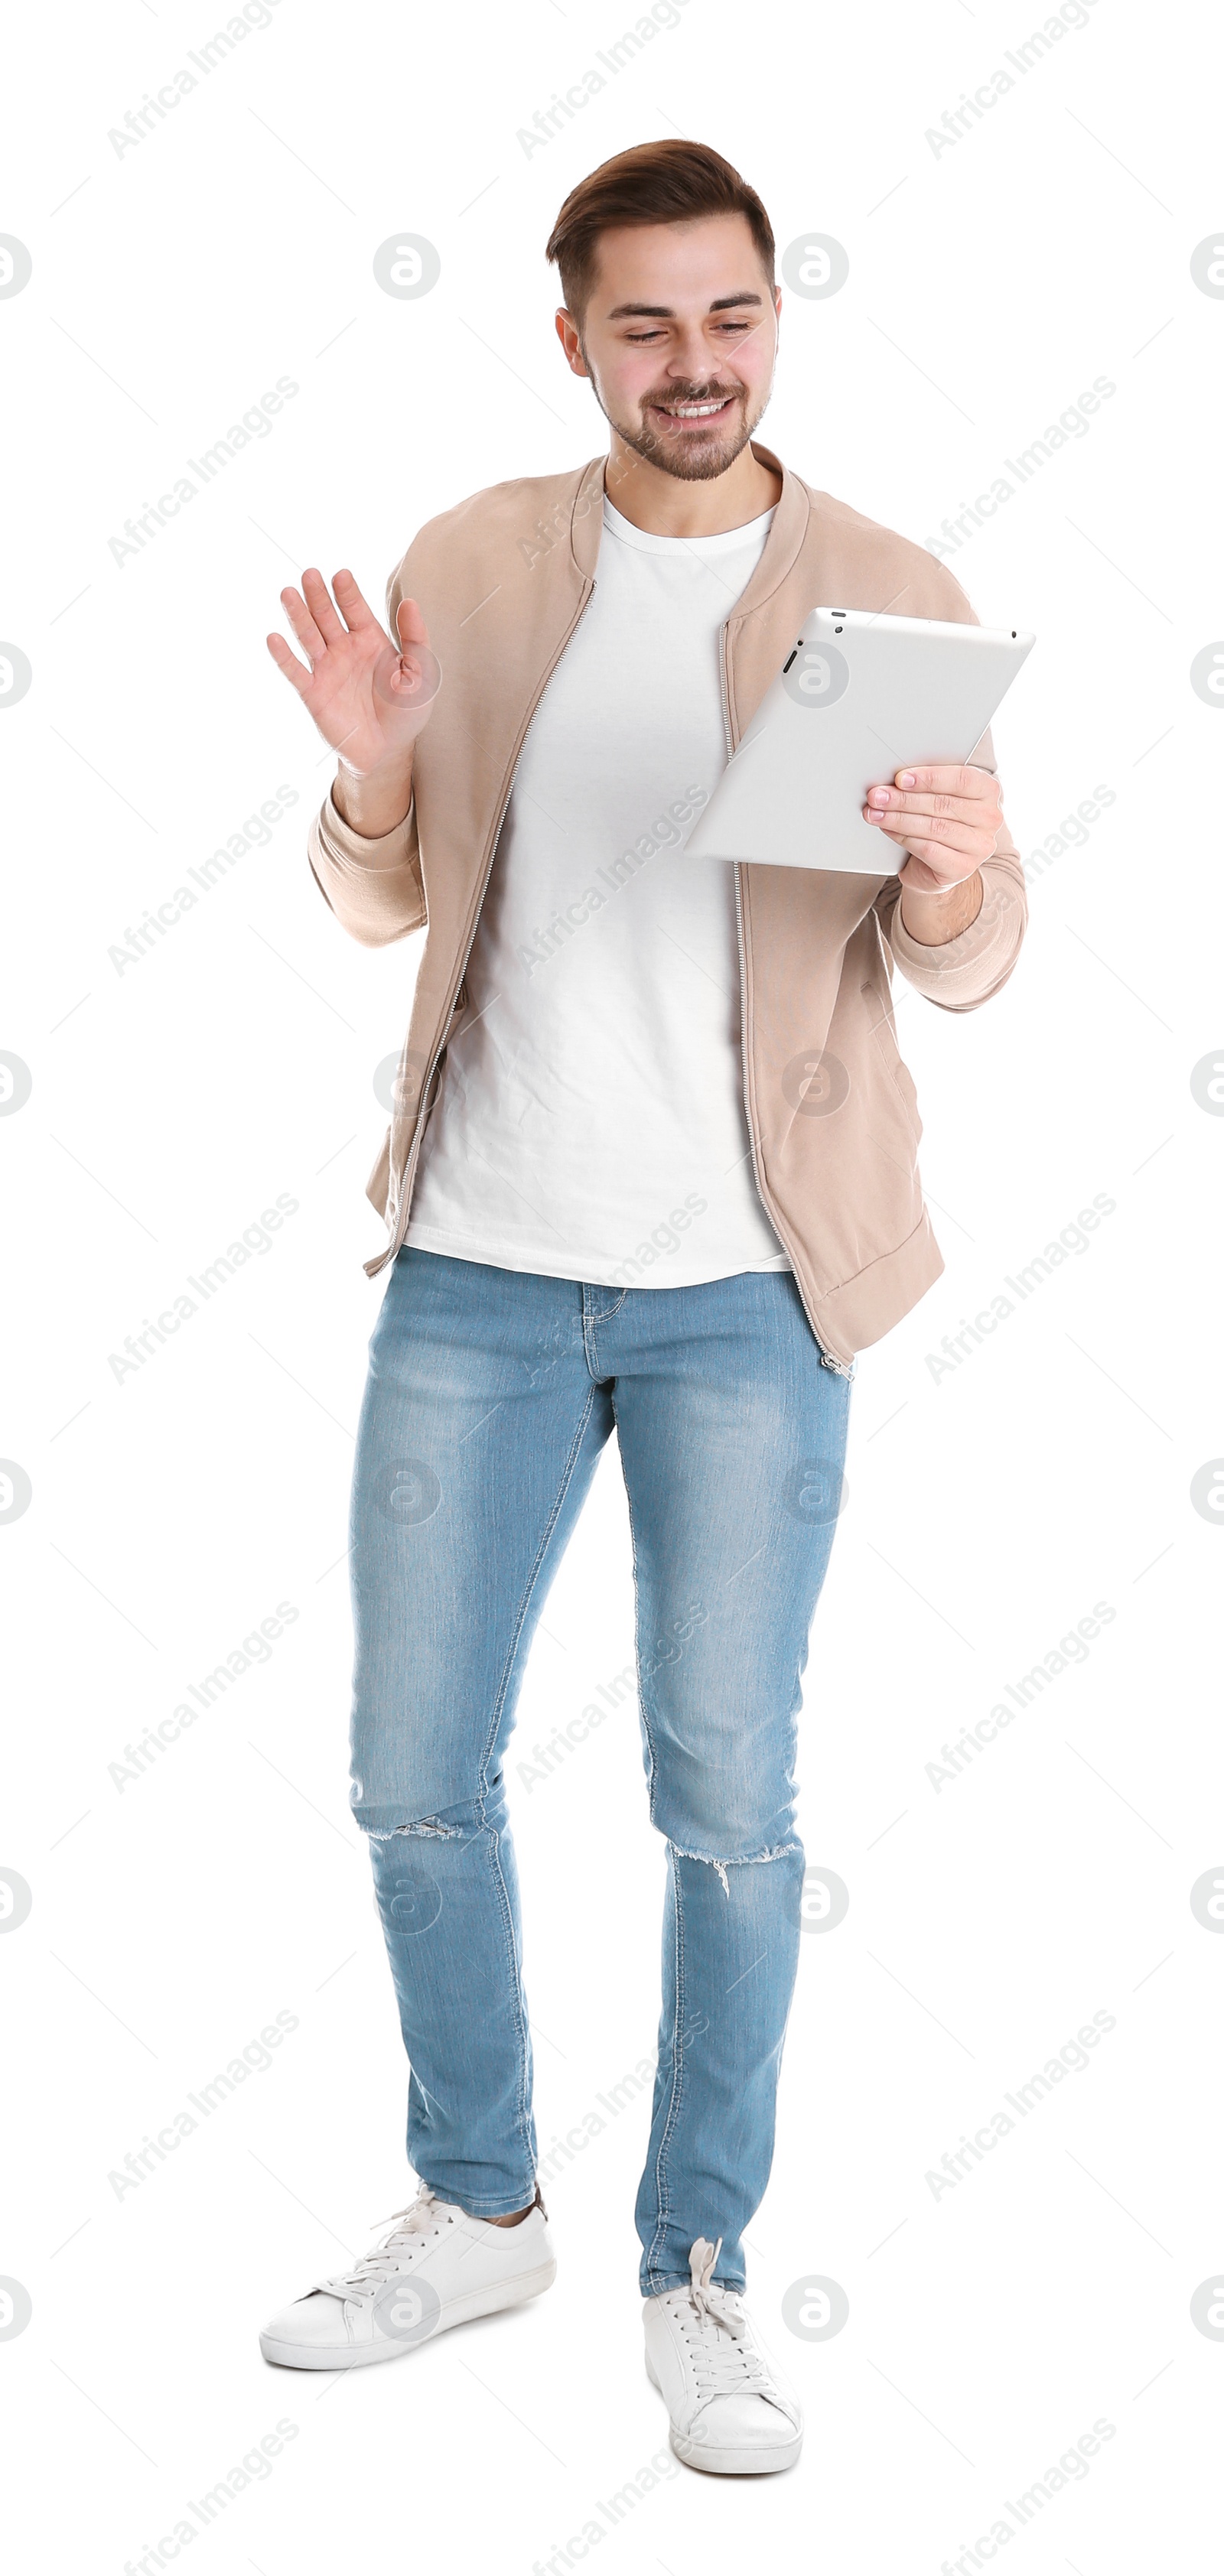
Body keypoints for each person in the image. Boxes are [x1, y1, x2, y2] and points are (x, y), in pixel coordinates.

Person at [259, 139, 1025, 2476]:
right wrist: (370, 783)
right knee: (412, 1774)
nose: (699, 365)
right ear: (572, 334)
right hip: (480, 1265)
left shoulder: (884, 593)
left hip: (742, 1293)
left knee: (725, 1803)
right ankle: (478, 2199)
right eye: (648, 325)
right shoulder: (479, 562)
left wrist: (967, 870)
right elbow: (377, 898)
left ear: (776, 317)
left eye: (735, 316)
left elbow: (964, 966)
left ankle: (698, 2263)